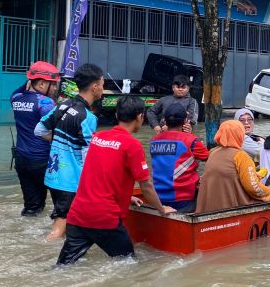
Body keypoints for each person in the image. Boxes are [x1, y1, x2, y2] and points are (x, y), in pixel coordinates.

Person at [56, 96, 175, 265]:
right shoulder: (132, 145)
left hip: (77, 215)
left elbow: (100, 174)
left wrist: (127, 196)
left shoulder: (97, 138)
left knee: (63, 267)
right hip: (105, 219)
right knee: (129, 266)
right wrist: (161, 209)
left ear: (117, 114)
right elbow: (146, 184)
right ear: (140, 117)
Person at [36, 63, 104, 241]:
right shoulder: (88, 117)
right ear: (95, 86)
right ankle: (39, 259)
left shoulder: (62, 106)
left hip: (53, 176)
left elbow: (39, 130)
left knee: (65, 222)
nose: (103, 89)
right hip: (71, 181)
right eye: (103, 85)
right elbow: (89, 156)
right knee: (59, 228)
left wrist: (60, 142)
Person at [196, 120, 270, 213]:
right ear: (239, 135)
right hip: (231, 208)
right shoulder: (240, 156)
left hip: (207, 208)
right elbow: (253, 187)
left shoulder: (212, 152)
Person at [11, 61, 60, 216]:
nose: (54, 89)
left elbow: (18, 90)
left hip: (21, 160)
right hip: (42, 161)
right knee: (61, 207)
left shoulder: (16, 98)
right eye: (52, 84)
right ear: (40, 83)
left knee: (32, 207)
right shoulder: (45, 102)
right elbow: (56, 131)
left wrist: (31, 75)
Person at [150, 103, 210, 212]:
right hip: (183, 200)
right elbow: (210, 158)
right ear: (185, 122)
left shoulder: (154, 141)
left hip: (157, 197)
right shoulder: (191, 141)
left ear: (165, 122)